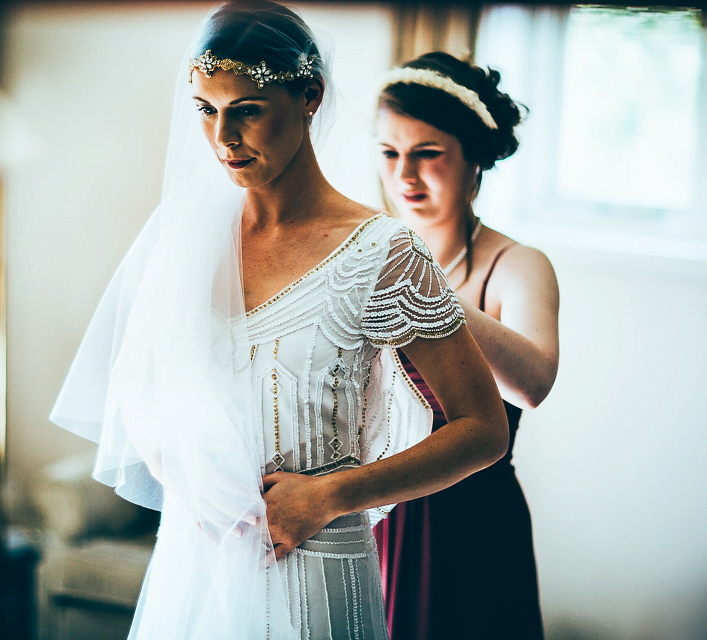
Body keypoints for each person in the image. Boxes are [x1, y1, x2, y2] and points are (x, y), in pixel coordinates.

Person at [50, 5, 508, 639]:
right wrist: (198, 482)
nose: (223, 137)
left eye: (248, 109)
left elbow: (484, 429)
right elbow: (144, 398)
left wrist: (329, 495)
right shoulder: (184, 243)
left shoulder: (382, 253)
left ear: (309, 96)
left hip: (316, 577)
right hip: (195, 569)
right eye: (206, 110)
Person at [371, 52, 560, 640]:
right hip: (374, 509)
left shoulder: (517, 265)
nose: (405, 176)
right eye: (389, 154)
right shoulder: (365, 257)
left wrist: (428, 287)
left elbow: (533, 385)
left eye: (427, 154)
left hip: (471, 521)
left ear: (474, 157)